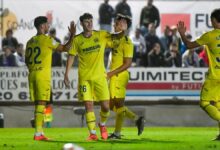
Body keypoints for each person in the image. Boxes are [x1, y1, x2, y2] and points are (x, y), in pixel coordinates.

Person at [64, 13, 126, 141]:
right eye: (86, 21)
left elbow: (117, 36)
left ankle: (102, 125)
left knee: (105, 106)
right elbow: (71, 56)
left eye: (91, 21)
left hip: (100, 77)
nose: (90, 23)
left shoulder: (101, 34)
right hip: (85, 79)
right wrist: (66, 74)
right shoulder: (77, 39)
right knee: (89, 105)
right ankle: (92, 133)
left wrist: (122, 29)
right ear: (81, 24)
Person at [25, 16, 76, 141]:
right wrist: (72, 35)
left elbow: (26, 60)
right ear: (42, 26)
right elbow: (66, 48)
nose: (49, 26)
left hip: (32, 74)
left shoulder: (29, 41)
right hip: (42, 75)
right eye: (47, 24)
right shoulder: (47, 40)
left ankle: (39, 131)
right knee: (42, 103)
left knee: (38, 104)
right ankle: (38, 134)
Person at [177, 8, 220, 140]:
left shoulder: (210, 35)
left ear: (213, 21)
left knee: (204, 102)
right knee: (218, 104)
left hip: (215, 76)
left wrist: (182, 34)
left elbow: (189, 45)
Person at [107, 14, 145, 139]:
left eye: (117, 24)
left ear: (124, 26)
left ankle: (136, 119)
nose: (115, 25)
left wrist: (112, 73)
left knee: (113, 105)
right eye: (115, 23)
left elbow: (127, 63)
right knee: (112, 105)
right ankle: (118, 132)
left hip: (119, 76)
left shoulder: (128, 42)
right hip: (114, 76)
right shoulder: (114, 38)